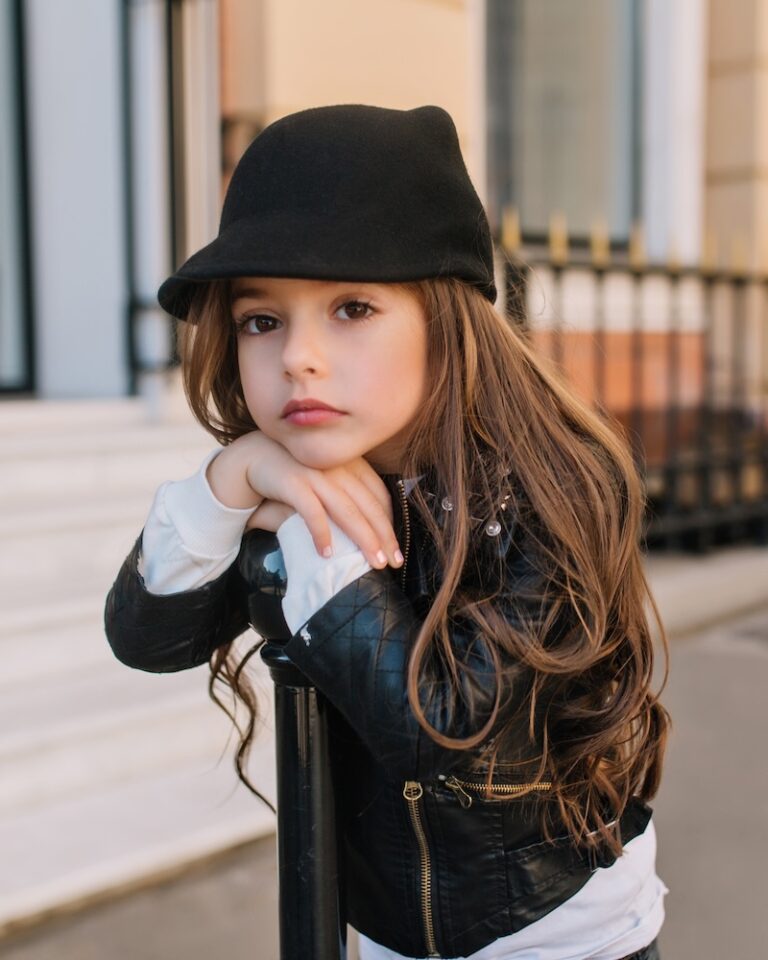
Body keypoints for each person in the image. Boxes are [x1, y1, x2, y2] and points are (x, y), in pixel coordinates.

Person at [104, 104, 670, 960]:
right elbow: (148, 636)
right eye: (264, 320)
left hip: (557, 934)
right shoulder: (293, 468)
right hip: (384, 933)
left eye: (352, 308)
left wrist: (316, 530)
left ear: (448, 320)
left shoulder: (556, 486)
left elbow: (443, 731)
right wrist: (231, 481)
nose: (299, 356)